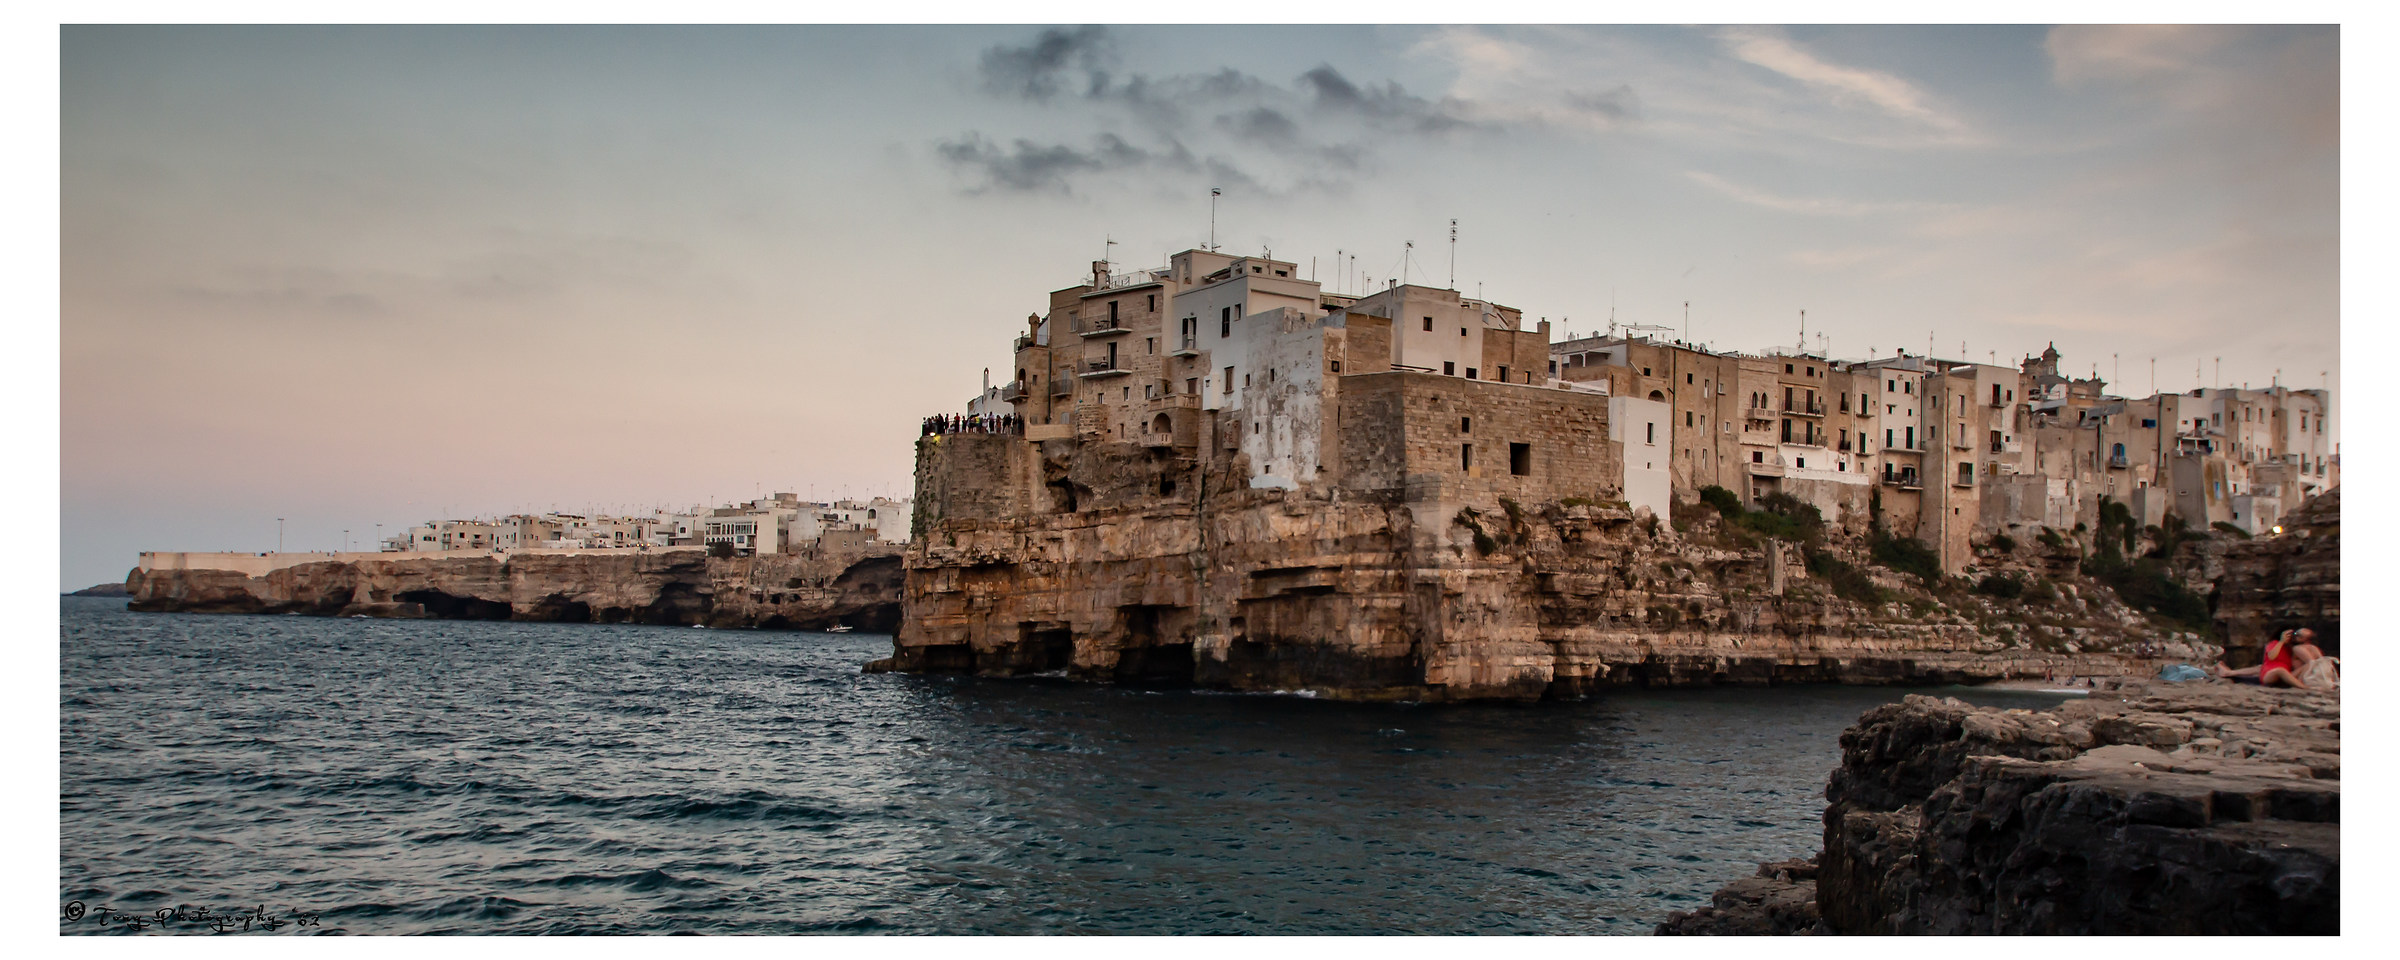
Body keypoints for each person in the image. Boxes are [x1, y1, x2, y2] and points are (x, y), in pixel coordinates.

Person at [2217, 629, 2308, 687]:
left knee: (2259, 668)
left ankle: (2229, 672)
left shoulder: (2293, 649)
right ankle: (2303, 687)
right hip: (2272, 674)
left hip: (2285, 675)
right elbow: (2272, 656)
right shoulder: (2274, 643)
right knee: (2279, 670)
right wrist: (2281, 641)